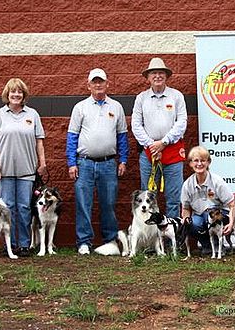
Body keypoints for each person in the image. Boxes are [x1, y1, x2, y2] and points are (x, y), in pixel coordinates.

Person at [66, 68, 129, 255]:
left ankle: (110, 241)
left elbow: (122, 137)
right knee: (83, 203)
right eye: (94, 82)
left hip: (109, 164)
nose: (98, 84)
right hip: (84, 163)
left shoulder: (116, 107)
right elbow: (72, 137)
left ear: (107, 83)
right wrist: (71, 163)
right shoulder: (80, 108)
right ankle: (84, 242)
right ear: (89, 85)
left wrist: (123, 160)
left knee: (108, 203)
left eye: (101, 81)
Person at [0, 78, 47, 257]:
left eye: (19, 92)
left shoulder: (33, 114)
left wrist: (42, 163)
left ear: (24, 95)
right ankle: (10, 245)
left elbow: (39, 142)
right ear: (7, 94)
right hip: (4, 172)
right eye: (13, 92)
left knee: (24, 208)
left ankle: (24, 244)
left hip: (27, 171)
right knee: (8, 208)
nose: (16, 95)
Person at [131, 58, 187, 218]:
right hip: (149, 153)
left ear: (166, 76)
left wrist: (163, 142)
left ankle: (171, 239)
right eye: (153, 73)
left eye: (161, 73)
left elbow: (182, 122)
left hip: (173, 152)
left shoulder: (176, 96)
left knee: (174, 198)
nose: (157, 76)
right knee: (147, 198)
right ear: (148, 77)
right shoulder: (141, 98)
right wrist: (152, 145)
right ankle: (151, 236)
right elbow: (136, 124)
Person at [180, 146, 235, 255]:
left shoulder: (217, 181)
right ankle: (208, 246)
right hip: (199, 216)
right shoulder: (187, 185)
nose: (199, 164)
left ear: (208, 162)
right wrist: (186, 220)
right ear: (191, 163)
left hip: (218, 214)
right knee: (192, 223)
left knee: (208, 214)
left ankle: (217, 246)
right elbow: (185, 208)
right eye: (196, 160)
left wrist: (231, 223)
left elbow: (232, 204)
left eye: (203, 160)